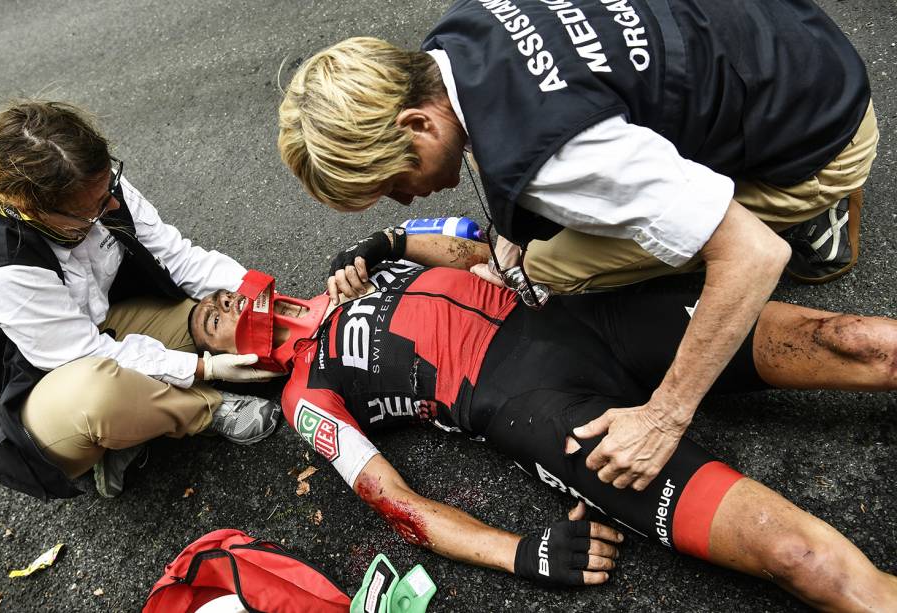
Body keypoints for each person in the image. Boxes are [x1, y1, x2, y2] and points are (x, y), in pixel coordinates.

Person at [276, 1, 880, 493]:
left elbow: (753, 255)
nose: (405, 203)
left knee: (552, 267)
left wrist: (662, 417)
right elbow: (543, 113)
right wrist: (506, 227)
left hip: (825, 134)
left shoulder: (558, 159)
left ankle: (814, 215)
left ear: (416, 124)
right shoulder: (461, 34)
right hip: (787, 34)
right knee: (534, 231)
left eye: (392, 182)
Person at [190, 230, 896, 610]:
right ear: (223, 361)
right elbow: (398, 503)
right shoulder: (303, 399)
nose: (219, 307)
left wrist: (391, 240)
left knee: (857, 341)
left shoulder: (354, 276)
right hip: (539, 409)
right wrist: (521, 551)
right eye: (206, 323)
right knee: (800, 559)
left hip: (586, 322)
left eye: (216, 296)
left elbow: (476, 248)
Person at [0, 100, 282, 500]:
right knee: (100, 395)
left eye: (109, 190)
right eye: (95, 210)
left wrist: (263, 299)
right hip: (35, 391)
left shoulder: (80, 174)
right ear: (33, 211)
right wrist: (203, 369)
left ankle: (137, 422)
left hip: (95, 326)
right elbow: (83, 355)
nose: (113, 206)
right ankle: (201, 410)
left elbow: (178, 257)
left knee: (215, 321)